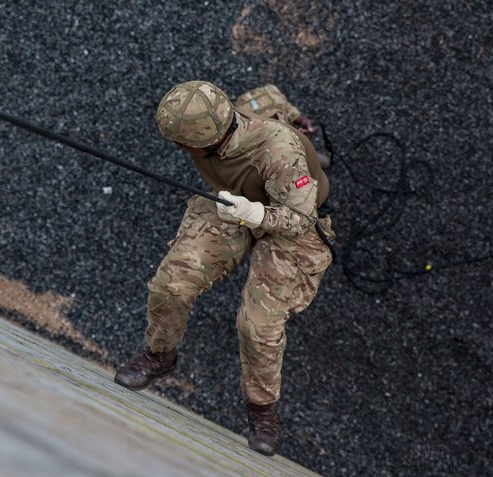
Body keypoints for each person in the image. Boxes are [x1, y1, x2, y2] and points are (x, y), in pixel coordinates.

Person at [114, 81, 335, 457]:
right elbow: (269, 94)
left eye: (182, 144)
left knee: (257, 325)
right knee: (171, 285)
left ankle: (262, 409)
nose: (179, 149)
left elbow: (300, 217)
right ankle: (160, 355)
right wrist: (300, 117)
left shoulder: (279, 150)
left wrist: (254, 214)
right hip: (229, 205)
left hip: (290, 221)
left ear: (207, 141)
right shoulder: (224, 110)